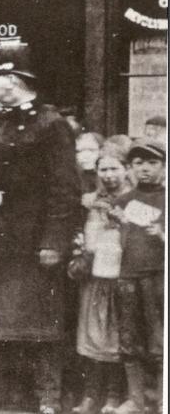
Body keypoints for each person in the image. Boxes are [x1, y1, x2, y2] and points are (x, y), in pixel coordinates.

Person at [0, 53, 80, 414]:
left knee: (42, 317)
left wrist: (54, 241)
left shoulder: (51, 124)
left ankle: (49, 394)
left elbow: (65, 188)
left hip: (32, 236)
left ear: (13, 78)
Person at [68, 146, 131, 414]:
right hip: (93, 279)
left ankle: (114, 396)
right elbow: (78, 234)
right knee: (91, 336)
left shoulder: (133, 201)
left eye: (114, 168)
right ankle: (91, 395)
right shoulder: (88, 201)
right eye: (103, 169)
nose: (108, 175)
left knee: (116, 337)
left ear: (126, 170)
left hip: (119, 277)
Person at [110, 138, 164, 414]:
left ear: (164, 167)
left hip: (158, 279)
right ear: (130, 167)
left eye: (153, 163)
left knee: (159, 341)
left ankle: (161, 398)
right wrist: (117, 226)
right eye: (139, 163)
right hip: (127, 276)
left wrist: (163, 235)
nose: (145, 169)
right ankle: (136, 399)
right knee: (129, 339)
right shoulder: (123, 200)